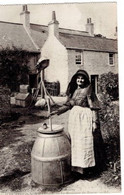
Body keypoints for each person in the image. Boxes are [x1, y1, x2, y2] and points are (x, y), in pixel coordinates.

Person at [51, 69, 105, 177]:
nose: (80, 80)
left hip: (85, 119)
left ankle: (89, 169)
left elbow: (94, 107)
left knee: (86, 143)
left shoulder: (89, 91)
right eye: (78, 78)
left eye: (82, 78)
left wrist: (95, 122)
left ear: (85, 80)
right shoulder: (74, 91)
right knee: (76, 143)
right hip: (75, 121)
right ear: (75, 80)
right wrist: (56, 112)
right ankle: (77, 169)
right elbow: (68, 105)